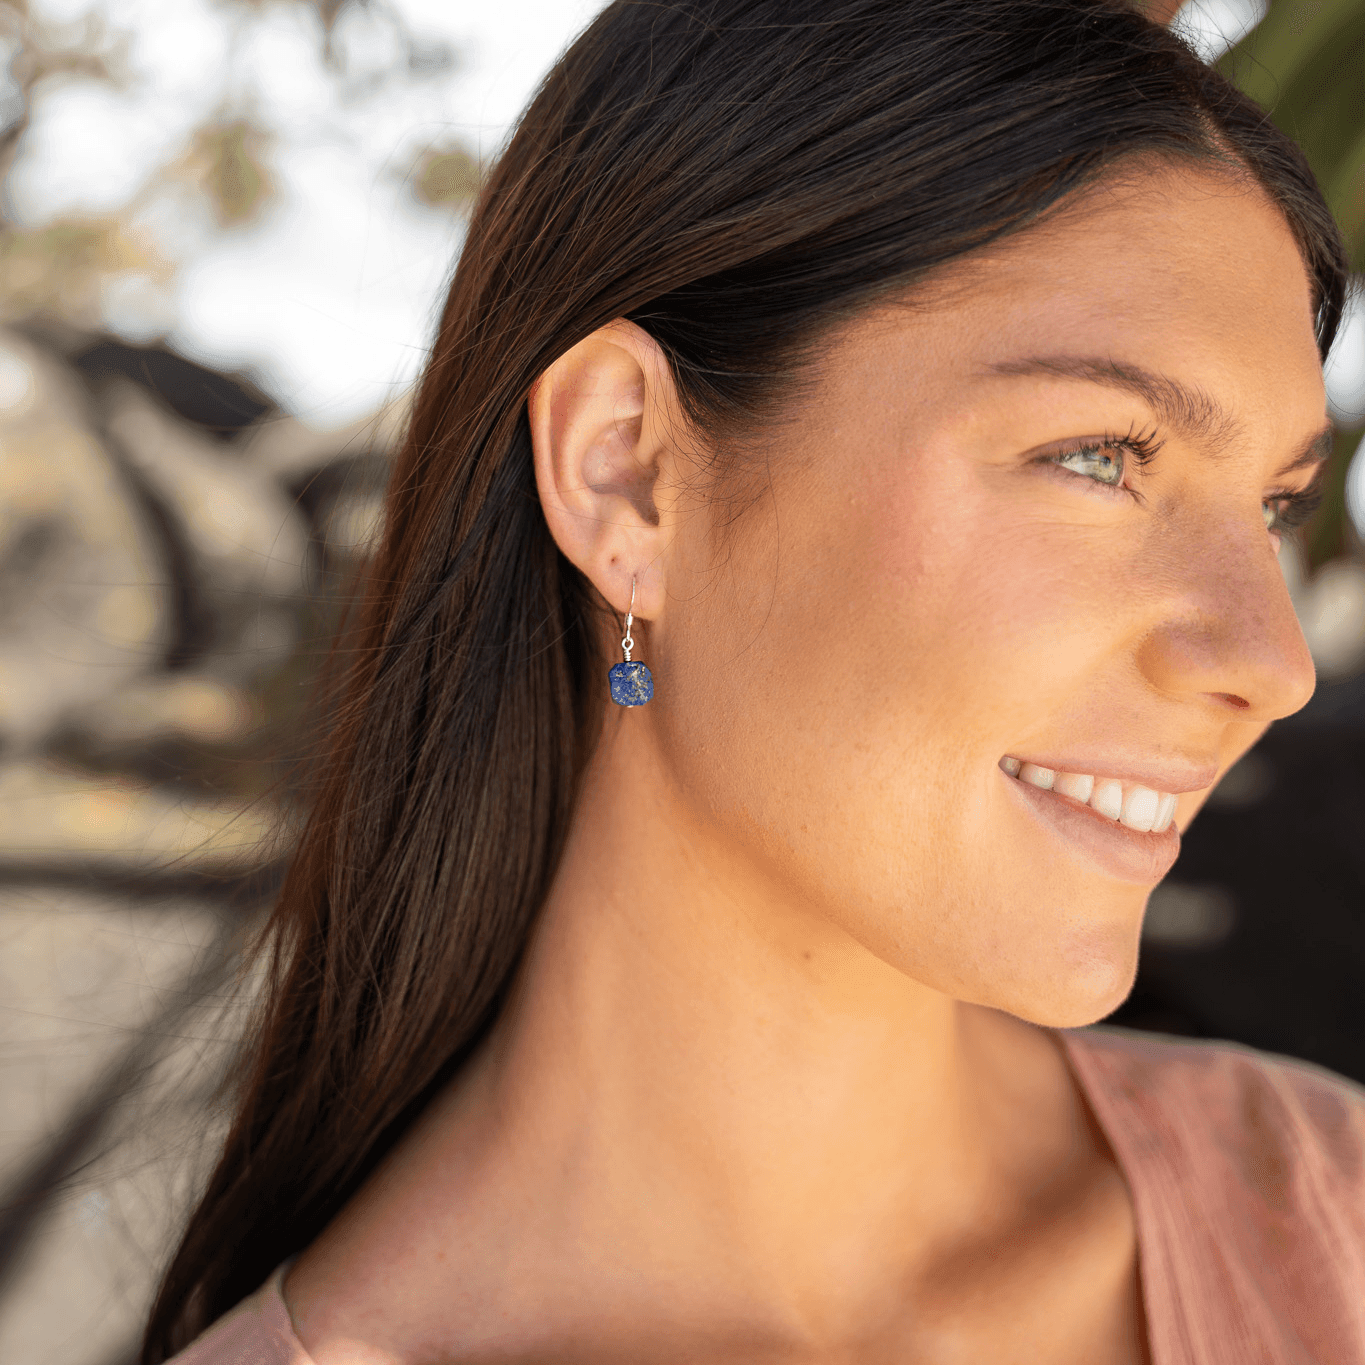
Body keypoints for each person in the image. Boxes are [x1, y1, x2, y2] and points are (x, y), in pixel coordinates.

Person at [141, 0, 1365, 1361]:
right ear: (630, 474)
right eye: (1100, 456)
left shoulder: (1330, 1218)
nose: (1272, 661)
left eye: (1272, 506)